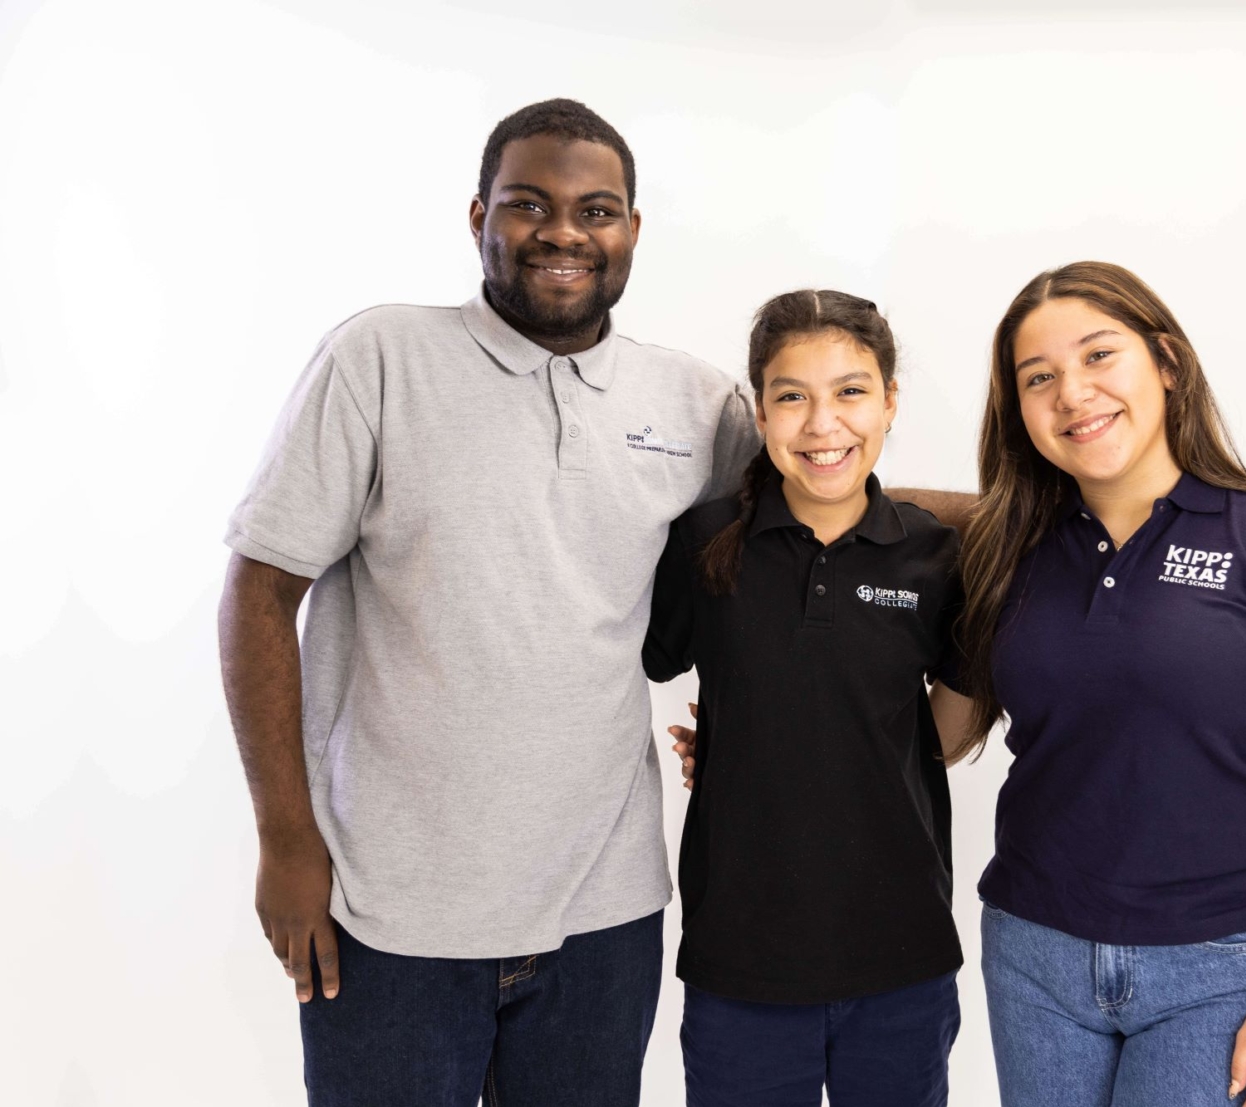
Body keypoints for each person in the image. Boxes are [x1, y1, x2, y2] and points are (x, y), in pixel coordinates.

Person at [216, 98, 764, 1107]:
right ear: (478, 218)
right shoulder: (380, 360)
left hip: (605, 913)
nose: (563, 231)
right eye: (528, 204)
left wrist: (1039, 504)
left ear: (632, 231)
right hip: (386, 913)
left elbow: (828, 503)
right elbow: (259, 591)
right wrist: (285, 839)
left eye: (596, 209)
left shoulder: (695, 404)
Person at [952, 261, 1246, 1107]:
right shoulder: (1003, 554)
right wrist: (762, 735)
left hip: (1221, 968)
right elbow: (937, 733)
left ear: (1168, 364)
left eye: (1099, 356)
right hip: (1033, 955)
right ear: (1020, 411)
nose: (1073, 393)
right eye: (1039, 378)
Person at [643, 290, 975, 1107]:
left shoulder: (935, 557)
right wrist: (740, 741)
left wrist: (837, 744)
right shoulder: (703, 542)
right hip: (740, 960)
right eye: (793, 396)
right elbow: (637, 663)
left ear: (891, 402)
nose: (823, 424)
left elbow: (950, 730)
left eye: (852, 391)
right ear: (761, 412)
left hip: (902, 956)